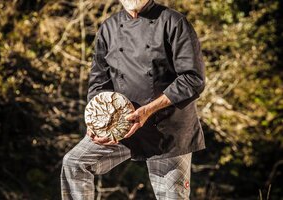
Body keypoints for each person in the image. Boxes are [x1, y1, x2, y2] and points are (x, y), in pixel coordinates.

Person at [60, 0, 206, 199]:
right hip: (120, 125)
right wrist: (95, 121)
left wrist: (148, 110)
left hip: (166, 129)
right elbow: (99, 81)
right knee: (75, 163)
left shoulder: (174, 22)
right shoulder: (109, 27)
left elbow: (193, 79)